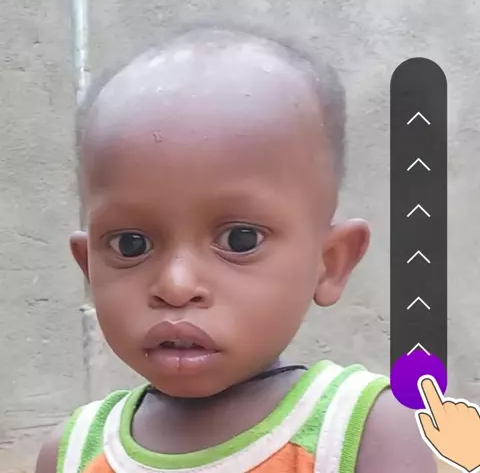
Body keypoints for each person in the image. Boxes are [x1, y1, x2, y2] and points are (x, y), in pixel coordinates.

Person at [35, 25, 436, 472]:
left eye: (239, 240)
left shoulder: (359, 433)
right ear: (89, 267)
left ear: (330, 262)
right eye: (131, 245)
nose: (176, 286)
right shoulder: (73, 454)